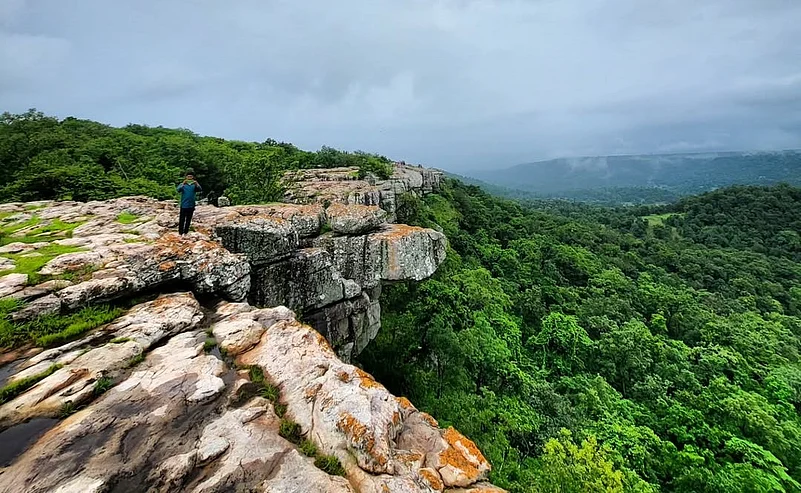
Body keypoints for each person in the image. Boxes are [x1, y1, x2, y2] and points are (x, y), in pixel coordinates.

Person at [176, 169, 202, 235]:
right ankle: (180, 232)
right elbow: (178, 190)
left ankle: (186, 232)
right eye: (188, 176)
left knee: (188, 219)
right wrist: (183, 184)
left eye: (191, 176)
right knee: (182, 219)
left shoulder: (194, 185)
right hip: (184, 204)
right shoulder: (183, 184)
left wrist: (197, 184)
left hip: (191, 205)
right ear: (186, 177)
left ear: (192, 177)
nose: (189, 178)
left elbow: (200, 189)